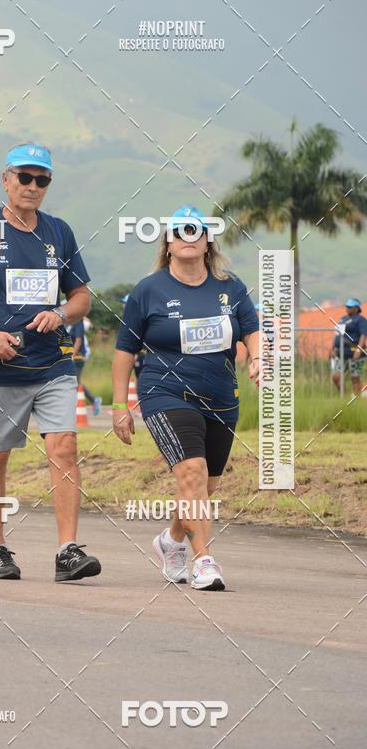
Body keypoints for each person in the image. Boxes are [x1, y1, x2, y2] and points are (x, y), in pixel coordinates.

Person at [0, 143, 101, 583]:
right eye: (24, 177)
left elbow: (81, 296)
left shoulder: (59, 232)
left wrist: (61, 313)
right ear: (5, 180)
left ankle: (67, 551)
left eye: (41, 179)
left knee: (64, 447)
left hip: (52, 364)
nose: (32, 186)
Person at [112, 205, 260, 591]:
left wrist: (258, 357)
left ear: (208, 241)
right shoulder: (148, 291)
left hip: (220, 396)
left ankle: (172, 540)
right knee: (192, 472)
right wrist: (119, 406)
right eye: (179, 231)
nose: (188, 237)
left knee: (204, 486)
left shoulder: (230, 287)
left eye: (196, 231)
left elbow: (251, 328)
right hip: (165, 392)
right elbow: (125, 351)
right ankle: (204, 562)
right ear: (168, 243)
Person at [330, 298, 366, 397]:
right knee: (335, 376)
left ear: (356, 309)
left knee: (355, 377)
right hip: (341, 353)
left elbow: (363, 335)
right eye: (347, 306)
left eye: (350, 307)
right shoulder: (342, 319)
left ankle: (355, 398)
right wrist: (332, 349)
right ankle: (345, 396)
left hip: (355, 353)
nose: (347, 308)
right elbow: (337, 335)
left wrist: (359, 350)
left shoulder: (360, 320)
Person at [69, 316, 102, 415]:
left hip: (78, 357)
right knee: (74, 382)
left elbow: (78, 340)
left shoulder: (78, 322)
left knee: (75, 382)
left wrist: (72, 356)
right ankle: (93, 400)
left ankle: (93, 399)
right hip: (73, 357)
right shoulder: (71, 323)